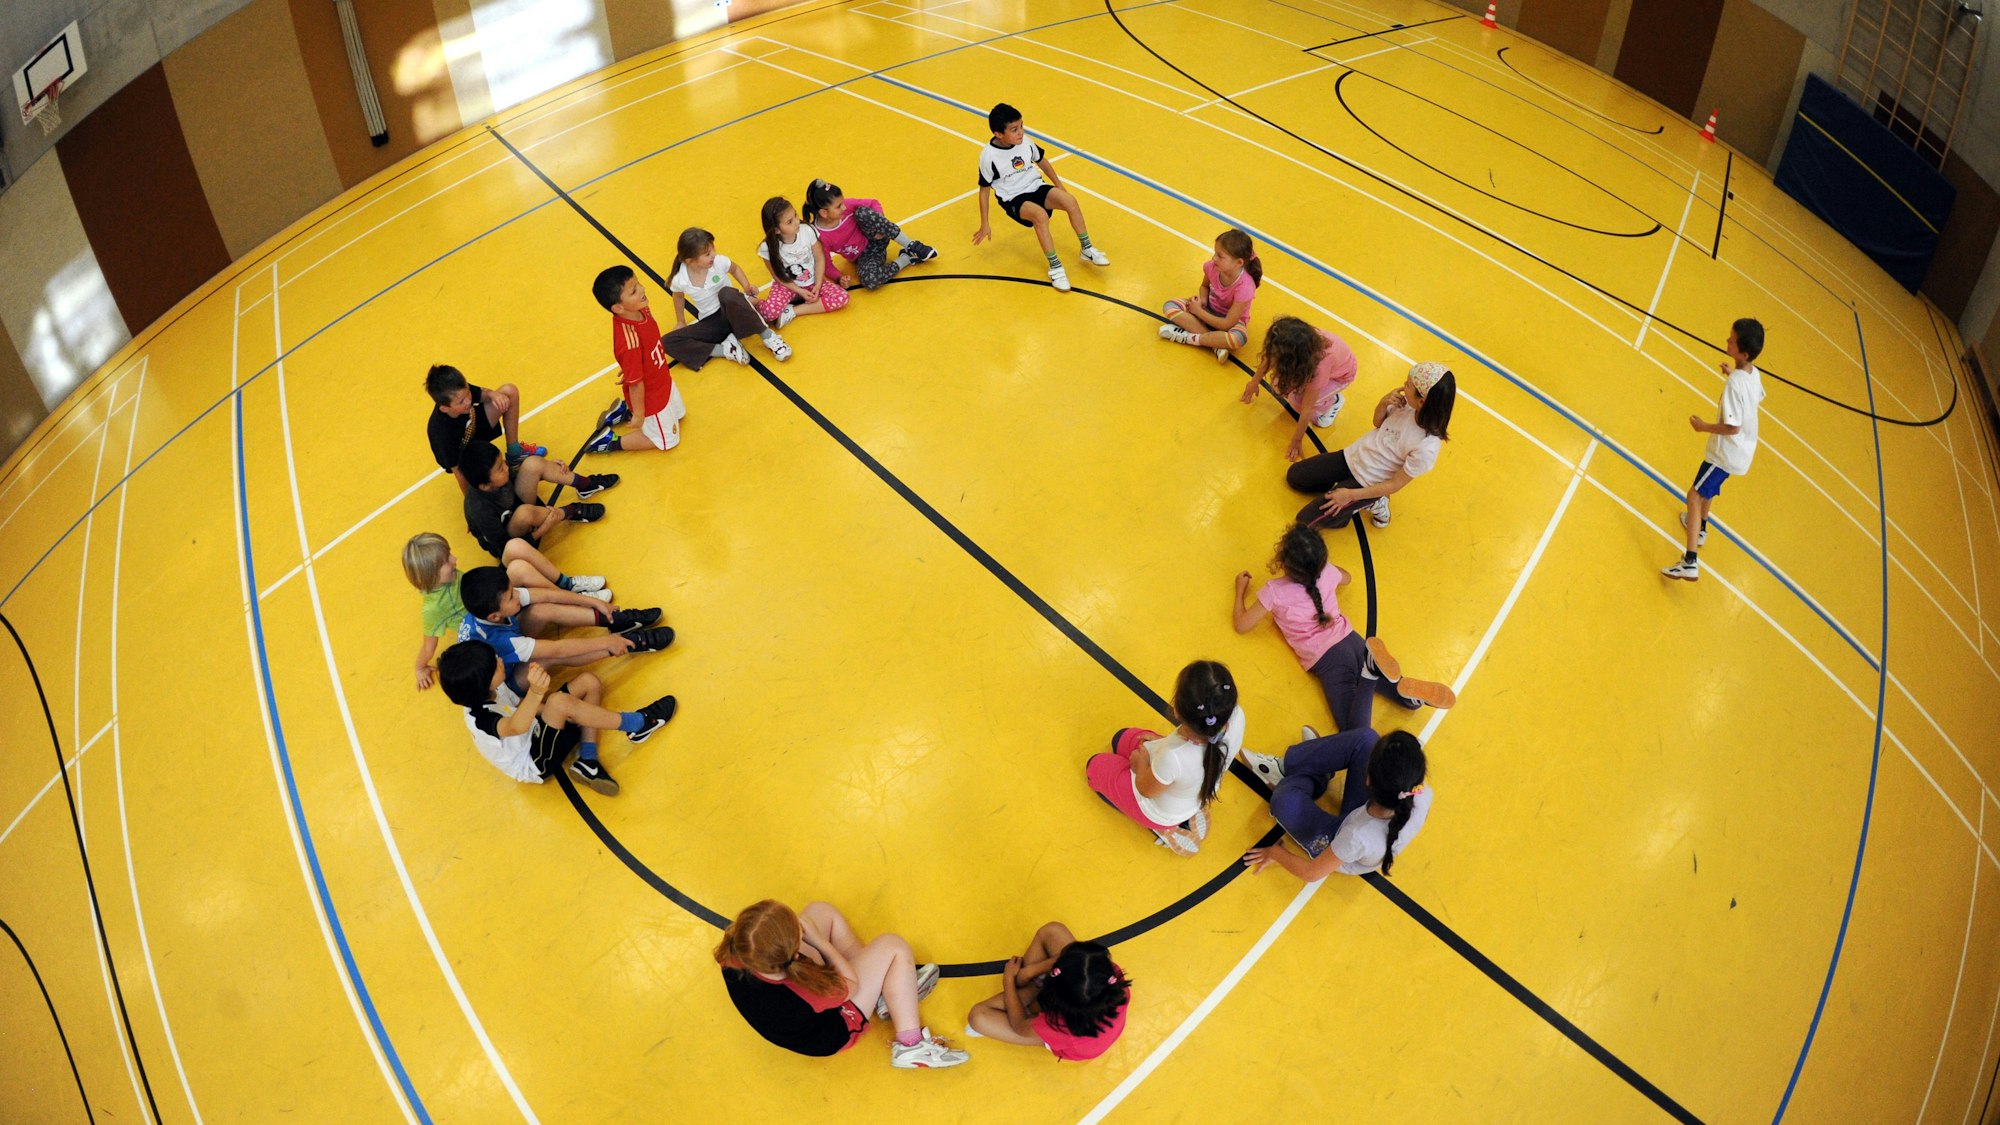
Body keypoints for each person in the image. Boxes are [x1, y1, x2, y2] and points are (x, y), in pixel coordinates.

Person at [1231, 524, 1451, 758]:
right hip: (1350, 638)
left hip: (1328, 659)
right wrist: (1326, 568)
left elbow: (1242, 625)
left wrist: (1240, 591)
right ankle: (1409, 698)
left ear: (1284, 561)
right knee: (1377, 675)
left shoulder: (1274, 591)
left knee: (1353, 731)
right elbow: (1347, 577)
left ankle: (1372, 674)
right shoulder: (1326, 570)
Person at [714, 900, 967, 1068]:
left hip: (793, 1010)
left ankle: (881, 990)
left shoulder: (735, 951)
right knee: (894, 945)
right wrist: (821, 944)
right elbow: (850, 985)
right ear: (792, 955)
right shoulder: (805, 990)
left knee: (821, 912)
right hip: (833, 1030)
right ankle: (911, 1046)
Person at [439, 643, 675, 795]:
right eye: (495, 664)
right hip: (535, 761)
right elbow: (515, 725)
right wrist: (539, 693)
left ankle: (588, 762)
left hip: (537, 731)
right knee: (559, 703)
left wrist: (557, 712)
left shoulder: (493, 688)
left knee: (588, 682)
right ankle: (639, 724)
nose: (499, 660)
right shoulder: (481, 719)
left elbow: (522, 707)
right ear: (484, 683)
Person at [402, 531, 613, 691]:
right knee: (542, 611)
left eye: (449, 553)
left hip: (502, 614)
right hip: (498, 634)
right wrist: (420, 668)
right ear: (431, 576)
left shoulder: (453, 575)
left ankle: (572, 591)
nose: (455, 559)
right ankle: (589, 608)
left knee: (516, 554)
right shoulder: (432, 610)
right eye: (447, 560)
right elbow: (429, 645)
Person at [1085, 661, 1244, 856]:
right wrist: (1162, 742)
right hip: (1189, 785)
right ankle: (1189, 812)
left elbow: (1146, 789)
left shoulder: (1173, 756)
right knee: (1120, 738)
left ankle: (1163, 827)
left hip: (1158, 808)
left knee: (1094, 767)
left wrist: (1139, 765)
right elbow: (1189, 755)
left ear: (1177, 709)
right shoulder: (1236, 716)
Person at [1285, 360, 1455, 529]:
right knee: (1295, 477)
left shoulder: (1426, 446)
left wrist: (1350, 495)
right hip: (1352, 457)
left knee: (1305, 521)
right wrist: (1383, 403)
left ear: (1422, 401)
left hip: (1368, 482)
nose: (1404, 385)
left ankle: (1372, 503)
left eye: (1409, 385)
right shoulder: (1406, 406)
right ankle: (1342, 495)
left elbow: (1395, 484)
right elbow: (1377, 423)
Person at [1241, 728, 1429, 880]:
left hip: (1342, 841)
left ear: (1368, 780)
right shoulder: (1420, 792)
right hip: (1365, 817)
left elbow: (1311, 873)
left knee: (1284, 801)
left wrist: (1275, 852)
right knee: (1366, 739)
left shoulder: (1357, 837)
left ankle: (1315, 773)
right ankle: (1297, 767)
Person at [457, 565, 672, 693]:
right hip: (507, 686)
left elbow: (548, 595)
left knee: (542, 609)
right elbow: (557, 650)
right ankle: (627, 644)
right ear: (495, 616)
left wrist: (592, 602)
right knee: (544, 661)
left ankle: (613, 620)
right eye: (512, 596)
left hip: (507, 649)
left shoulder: (494, 605)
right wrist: (607, 642)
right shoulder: (499, 641)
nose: (517, 595)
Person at [1663, 318, 1766, 582]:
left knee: (1695, 495)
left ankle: (1689, 561)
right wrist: (1733, 373)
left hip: (1726, 453)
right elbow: (1754, 395)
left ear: (1743, 353)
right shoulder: (1751, 374)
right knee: (1707, 490)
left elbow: (1732, 426)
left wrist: (1702, 426)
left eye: (1731, 341)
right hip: (1741, 453)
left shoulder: (1736, 384)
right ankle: (1701, 529)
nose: (1727, 341)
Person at [972, 102, 1107, 292]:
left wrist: (1059, 186)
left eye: (1021, 127)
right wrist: (985, 223)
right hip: (1013, 197)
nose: (1021, 132)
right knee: (1040, 216)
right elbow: (984, 190)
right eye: (1014, 130)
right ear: (998, 134)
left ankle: (1087, 249)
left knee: (1070, 201)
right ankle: (1056, 268)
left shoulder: (1025, 141)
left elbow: (1042, 161)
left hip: (1036, 186)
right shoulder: (988, 157)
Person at [964, 922, 1129, 1062]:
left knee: (978, 1018)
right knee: (1053, 930)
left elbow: (1020, 1025)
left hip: (1071, 1041)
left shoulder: (1060, 1027)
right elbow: (1066, 962)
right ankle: (1032, 990)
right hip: (1071, 1010)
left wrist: (1009, 980)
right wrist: (1028, 973)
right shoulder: (1109, 976)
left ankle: (1032, 993)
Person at [459, 440, 609, 559]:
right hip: (515, 540)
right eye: (500, 468)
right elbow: (505, 549)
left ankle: (586, 485)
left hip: (521, 509)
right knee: (524, 513)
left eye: (502, 462)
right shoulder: (479, 510)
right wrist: (541, 531)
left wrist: (550, 467)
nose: (506, 467)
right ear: (485, 486)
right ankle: (570, 511)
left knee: (532, 463)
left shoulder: (497, 476)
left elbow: (521, 475)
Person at [1242, 317, 1359, 460]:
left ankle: (1333, 403)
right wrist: (1254, 382)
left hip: (1341, 376)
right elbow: (1270, 357)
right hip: (1313, 367)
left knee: (1299, 403)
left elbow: (1307, 409)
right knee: (1279, 387)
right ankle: (1321, 395)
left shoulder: (1320, 367)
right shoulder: (1297, 339)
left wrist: (1296, 441)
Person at [667, 228, 793, 362]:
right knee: (668, 341)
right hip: (711, 322)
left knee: (726, 293)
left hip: (733, 312)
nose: (714, 255)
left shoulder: (719, 262)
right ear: (689, 260)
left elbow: (735, 269)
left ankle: (768, 336)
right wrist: (681, 321)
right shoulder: (680, 279)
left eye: (713, 250)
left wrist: (746, 286)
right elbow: (678, 296)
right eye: (707, 254)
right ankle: (727, 350)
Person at [422, 364, 545, 492]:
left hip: (474, 427)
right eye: (461, 402)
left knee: (509, 391)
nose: (468, 401)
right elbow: (458, 472)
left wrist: (493, 395)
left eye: (468, 393)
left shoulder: (461, 392)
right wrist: (473, 502)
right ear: (444, 408)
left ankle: (514, 453)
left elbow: (483, 394)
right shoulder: (442, 434)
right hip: (464, 454)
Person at [803, 178, 937, 292]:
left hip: (875, 236)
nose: (844, 207)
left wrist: (879, 222)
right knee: (870, 281)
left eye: (843, 203)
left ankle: (911, 244)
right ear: (824, 213)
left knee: (862, 212)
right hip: (865, 256)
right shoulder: (819, 236)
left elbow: (873, 203)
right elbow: (825, 264)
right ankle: (907, 257)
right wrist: (839, 277)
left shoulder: (848, 206)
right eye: (839, 206)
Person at [1158, 229, 1261, 363]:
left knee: (1239, 338)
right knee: (1170, 306)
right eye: (1215, 253)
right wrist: (1202, 300)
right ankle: (1215, 344)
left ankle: (1189, 338)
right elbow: (1204, 286)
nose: (1214, 258)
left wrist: (1198, 312)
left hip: (1230, 322)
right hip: (1208, 309)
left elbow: (1226, 324)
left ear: (1239, 263)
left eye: (1220, 256)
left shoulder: (1245, 287)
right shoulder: (1211, 267)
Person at [754, 196, 848, 325]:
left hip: (813, 281)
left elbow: (820, 259)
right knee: (768, 314)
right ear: (776, 229)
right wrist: (799, 291)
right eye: (789, 222)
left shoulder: (807, 231)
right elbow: (778, 277)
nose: (797, 222)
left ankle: (792, 311)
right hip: (787, 286)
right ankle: (753, 301)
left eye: (795, 216)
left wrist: (818, 284)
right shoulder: (767, 248)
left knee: (842, 297)